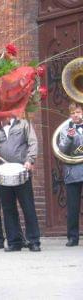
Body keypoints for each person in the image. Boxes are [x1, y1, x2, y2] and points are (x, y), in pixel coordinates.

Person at [0, 118, 41, 252]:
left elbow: (33, 143)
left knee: (28, 206)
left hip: (22, 171)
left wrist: (30, 160)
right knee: (8, 208)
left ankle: (34, 241)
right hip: (4, 173)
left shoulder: (24, 124)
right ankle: (14, 241)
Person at [58, 102, 83, 247]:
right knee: (73, 207)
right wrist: (69, 137)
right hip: (72, 172)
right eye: (73, 113)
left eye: (78, 112)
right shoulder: (65, 129)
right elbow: (62, 150)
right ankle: (72, 238)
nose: (75, 115)